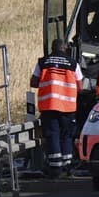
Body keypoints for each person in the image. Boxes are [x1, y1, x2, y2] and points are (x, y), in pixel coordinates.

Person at [31, 39, 83, 178]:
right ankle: (67, 167)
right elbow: (80, 86)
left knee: (52, 134)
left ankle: (55, 169)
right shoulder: (73, 64)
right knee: (66, 135)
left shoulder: (42, 62)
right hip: (68, 106)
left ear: (52, 48)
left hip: (49, 105)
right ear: (64, 48)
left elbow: (34, 82)